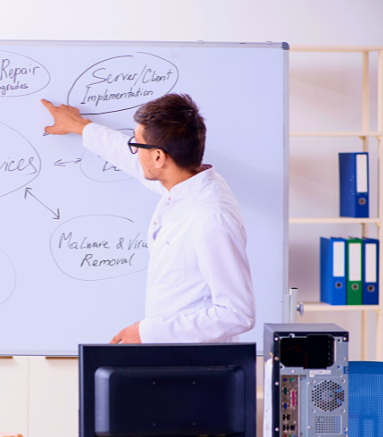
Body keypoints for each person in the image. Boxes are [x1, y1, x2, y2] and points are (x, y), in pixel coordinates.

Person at [41, 94, 255, 344]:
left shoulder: (210, 219)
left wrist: (148, 333)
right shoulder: (185, 183)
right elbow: (132, 161)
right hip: (173, 358)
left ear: (158, 158)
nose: (133, 151)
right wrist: (81, 126)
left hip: (199, 368)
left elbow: (238, 314)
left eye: (137, 144)